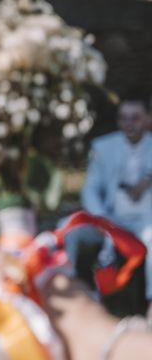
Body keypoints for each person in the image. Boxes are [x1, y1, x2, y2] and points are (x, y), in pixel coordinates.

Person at [66, 94, 152, 319]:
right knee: (71, 233)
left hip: (147, 220)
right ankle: (69, 299)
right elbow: (90, 189)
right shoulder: (103, 147)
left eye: (135, 118)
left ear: (148, 119)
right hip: (112, 218)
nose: (129, 124)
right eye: (124, 118)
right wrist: (102, 218)